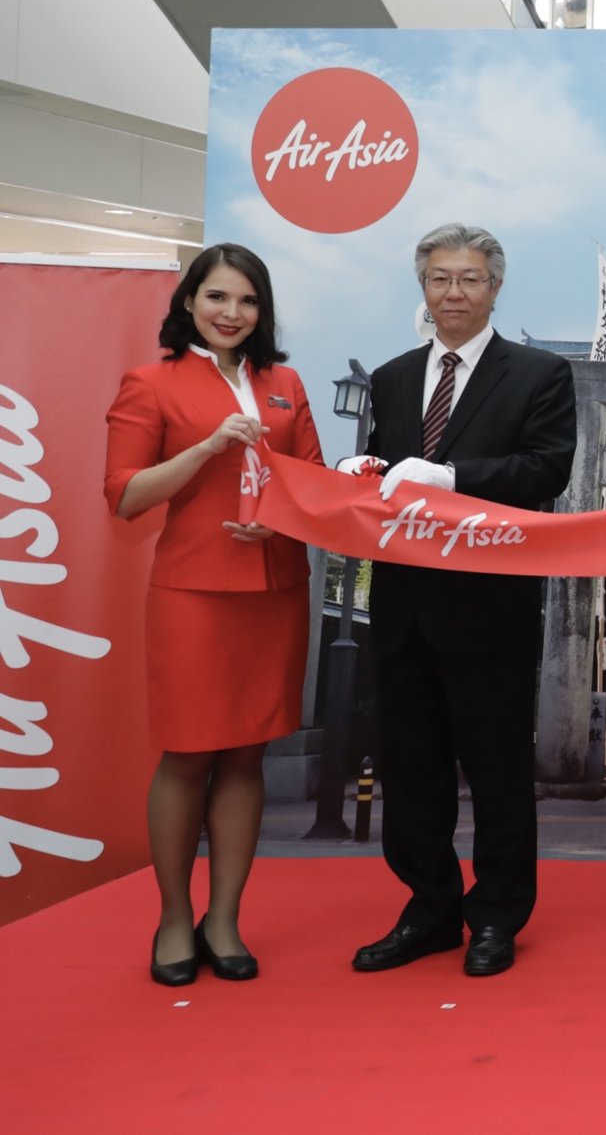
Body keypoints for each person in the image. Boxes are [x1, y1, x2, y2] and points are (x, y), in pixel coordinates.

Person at [337, 225, 577, 980]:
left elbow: (546, 469)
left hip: (490, 606)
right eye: (440, 279)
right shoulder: (393, 375)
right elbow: (387, 472)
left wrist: (453, 476)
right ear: (423, 287)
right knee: (411, 768)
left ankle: (498, 912)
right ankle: (430, 905)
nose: (454, 293)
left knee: (499, 769)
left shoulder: (538, 373)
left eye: (469, 279)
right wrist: (363, 467)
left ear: (495, 287)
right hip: (404, 605)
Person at [104, 244, 325, 986]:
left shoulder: (286, 382)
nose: (232, 313)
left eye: (248, 301)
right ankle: (173, 915)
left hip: (274, 591)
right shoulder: (151, 381)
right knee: (187, 752)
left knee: (247, 753)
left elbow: (315, 490)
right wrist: (205, 447)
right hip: (193, 595)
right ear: (189, 302)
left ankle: (223, 915)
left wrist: (281, 518)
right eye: (217, 297)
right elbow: (128, 495)